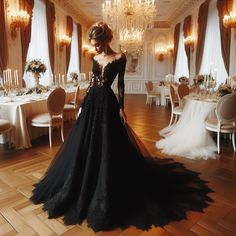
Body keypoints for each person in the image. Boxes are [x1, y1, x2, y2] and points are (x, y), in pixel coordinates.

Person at [31, 22, 213, 232]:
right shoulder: (95, 58)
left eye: (97, 44)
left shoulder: (119, 58)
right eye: (93, 45)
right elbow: (92, 82)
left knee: (110, 141)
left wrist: (121, 107)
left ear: (106, 40)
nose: (95, 48)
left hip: (108, 102)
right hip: (92, 102)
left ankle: (108, 180)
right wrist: (82, 105)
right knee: (85, 141)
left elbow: (121, 84)